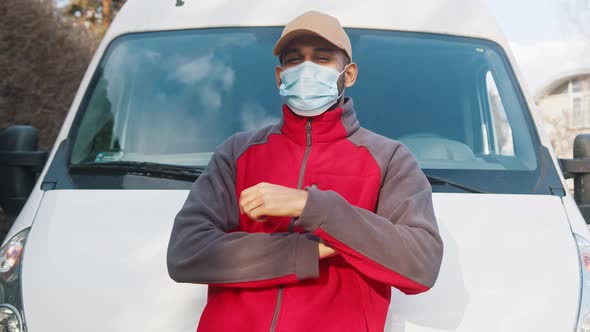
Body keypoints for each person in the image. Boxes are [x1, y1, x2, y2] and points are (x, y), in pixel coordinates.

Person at [166, 10, 444, 332]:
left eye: (322, 58)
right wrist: (310, 250)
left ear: (349, 74)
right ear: (279, 75)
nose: (306, 69)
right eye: (295, 60)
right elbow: (186, 252)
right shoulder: (237, 152)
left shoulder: (390, 158)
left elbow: (420, 264)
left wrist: (309, 205)